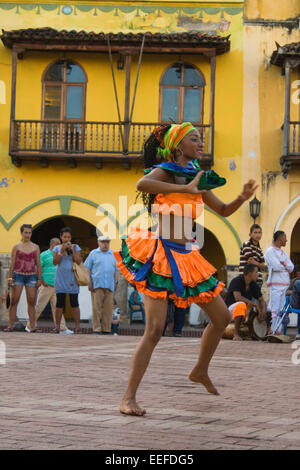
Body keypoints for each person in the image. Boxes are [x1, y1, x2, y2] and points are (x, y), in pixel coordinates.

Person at [114, 122, 258, 416]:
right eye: (195, 138)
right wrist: (184, 187)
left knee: (222, 318)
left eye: (201, 138)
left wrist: (241, 198)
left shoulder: (198, 177)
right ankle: (128, 398)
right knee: (154, 330)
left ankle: (200, 370)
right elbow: (143, 184)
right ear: (179, 146)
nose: (200, 142)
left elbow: (223, 209)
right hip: (160, 253)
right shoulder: (167, 170)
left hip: (187, 256)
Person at [25, 238, 73, 334]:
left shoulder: (61, 255)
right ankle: (29, 326)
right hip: (46, 286)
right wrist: (41, 280)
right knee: (39, 307)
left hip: (57, 286)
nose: (60, 246)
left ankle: (62, 328)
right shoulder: (44, 255)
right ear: (52, 244)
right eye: (58, 244)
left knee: (58, 308)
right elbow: (37, 268)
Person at [4, 224, 42, 332]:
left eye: (29, 233)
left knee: (31, 302)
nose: (28, 235)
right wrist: (10, 279)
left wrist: (39, 278)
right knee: (14, 301)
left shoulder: (35, 247)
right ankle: (10, 326)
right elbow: (12, 264)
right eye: (26, 232)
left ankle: (32, 327)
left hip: (31, 275)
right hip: (18, 275)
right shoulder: (16, 247)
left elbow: (38, 264)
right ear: (21, 233)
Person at [84, 235, 118, 334]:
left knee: (108, 309)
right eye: (103, 242)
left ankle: (106, 328)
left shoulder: (113, 254)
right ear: (98, 243)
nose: (105, 244)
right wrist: (89, 282)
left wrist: (116, 282)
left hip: (110, 285)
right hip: (97, 285)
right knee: (96, 308)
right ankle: (96, 328)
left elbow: (116, 270)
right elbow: (87, 269)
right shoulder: (93, 253)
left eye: (107, 242)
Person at [225, 264, 267, 341]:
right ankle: (236, 334)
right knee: (241, 305)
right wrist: (255, 304)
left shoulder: (253, 285)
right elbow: (238, 297)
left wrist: (263, 310)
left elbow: (262, 300)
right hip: (230, 311)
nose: (258, 274)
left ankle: (260, 333)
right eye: (256, 272)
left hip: (245, 311)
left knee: (268, 310)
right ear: (250, 273)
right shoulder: (237, 281)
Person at [52, 227, 82, 333]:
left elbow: (78, 261)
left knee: (75, 304)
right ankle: (57, 327)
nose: (66, 239)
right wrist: (61, 251)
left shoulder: (76, 247)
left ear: (71, 237)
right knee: (59, 304)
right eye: (64, 237)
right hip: (60, 279)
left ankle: (77, 327)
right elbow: (55, 262)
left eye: (68, 237)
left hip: (72, 279)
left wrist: (72, 251)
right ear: (61, 237)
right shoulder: (56, 248)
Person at [265, 231, 294, 334]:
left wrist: (284, 264)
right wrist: (284, 266)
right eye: (285, 238)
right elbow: (276, 266)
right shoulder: (270, 251)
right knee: (275, 307)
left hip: (284, 285)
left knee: (281, 308)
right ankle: (272, 330)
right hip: (275, 284)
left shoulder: (284, 253)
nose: (286, 240)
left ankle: (278, 331)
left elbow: (291, 268)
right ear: (280, 238)